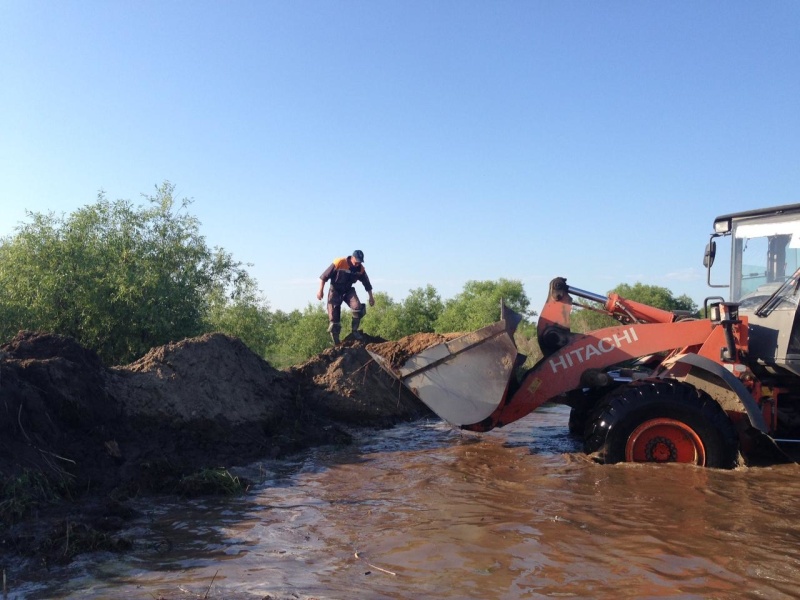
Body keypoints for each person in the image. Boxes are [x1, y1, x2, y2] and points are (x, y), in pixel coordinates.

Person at [316, 249, 375, 344]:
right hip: (335, 290)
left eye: (359, 262)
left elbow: (366, 283)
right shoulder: (339, 262)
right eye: (356, 262)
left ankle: (355, 331)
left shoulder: (360, 268)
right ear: (352, 258)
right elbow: (324, 277)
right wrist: (320, 291)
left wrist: (371, 297)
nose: (357, 264)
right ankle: (336, 341)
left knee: (358, 308)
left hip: (348, 290)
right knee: (334, 318)